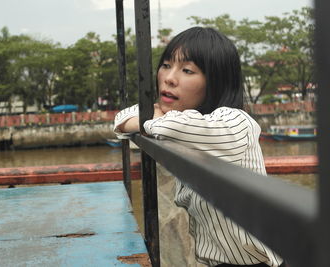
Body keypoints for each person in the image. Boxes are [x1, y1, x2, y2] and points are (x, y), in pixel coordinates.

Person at [113, 27, 285, 267]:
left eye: (187, 70)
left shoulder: (235, 121)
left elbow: (173, 127)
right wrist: (150, 117)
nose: (170, 78)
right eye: (166, 65)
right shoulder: (179, 120)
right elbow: (121, 120)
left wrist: (151, 118)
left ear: (215, 81)